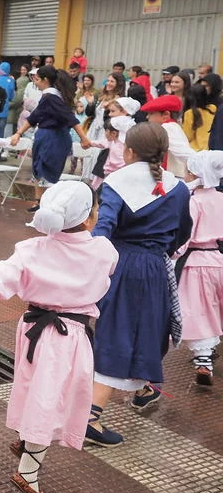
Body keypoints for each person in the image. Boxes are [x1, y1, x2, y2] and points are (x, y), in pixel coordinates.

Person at [0, 181, 117, 493]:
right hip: (68, 336)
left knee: (34, 386)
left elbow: (4, 274)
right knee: (51, 398)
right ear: (90, 217)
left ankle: (26, 438)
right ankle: (28, 471)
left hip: (34, 329)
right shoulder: (103, 251)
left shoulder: (31, 249)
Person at [87, 123, 192, 446]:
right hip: (155, 267)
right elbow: (182, 233)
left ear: (129, 151)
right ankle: (98, 412)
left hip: (120, 264)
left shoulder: (116, 182)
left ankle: (94, 413)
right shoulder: (178, 188)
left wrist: (90, 264)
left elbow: (102, 231)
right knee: (148, 330)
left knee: (115, 331)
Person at [11, 66, 92, 211]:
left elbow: (70, 118)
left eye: (37, 79)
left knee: (47, 172)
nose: (35, 83)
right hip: (46, 137)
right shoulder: (49, 96)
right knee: (39, 170)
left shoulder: (52, 97)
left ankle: (48, 206)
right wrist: (19, 133)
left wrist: (83, 138)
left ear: (45, 80)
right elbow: (35, 116)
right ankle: (40, 202)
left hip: (53, 138)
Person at [176, 150, 223, 386]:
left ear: (195, 174)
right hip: (218, 259)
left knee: (198, 310)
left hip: (195, 264)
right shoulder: (221, 199)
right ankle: (211, 349)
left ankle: (203, 359)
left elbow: (185, 236)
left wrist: (173, 253)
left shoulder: (193, 202)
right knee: (217, 306)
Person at [141, 94, 194, 177]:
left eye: (151, 113)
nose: (147, 117)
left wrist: (200, 161)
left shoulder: (167, 128)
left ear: (166, 115)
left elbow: (182, 152)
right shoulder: (172, 126)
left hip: (175, 175)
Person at [181, 84, 216, 151]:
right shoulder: (212, 108)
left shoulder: (189, 113)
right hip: (212, 147)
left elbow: (188, 136)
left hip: (197, 149)